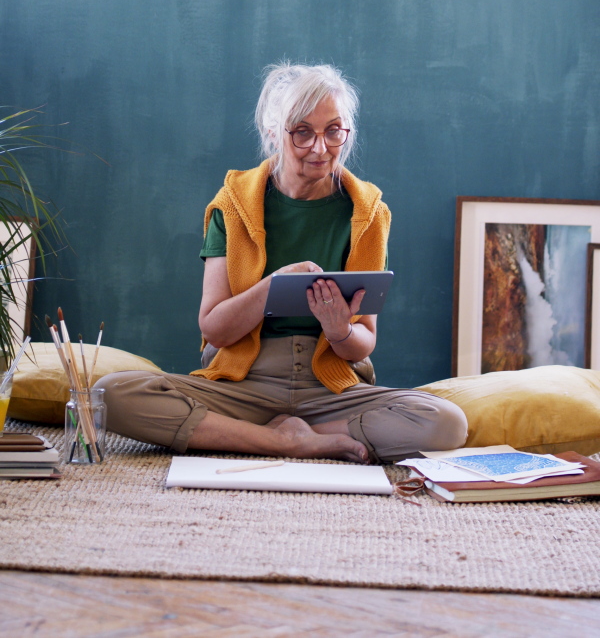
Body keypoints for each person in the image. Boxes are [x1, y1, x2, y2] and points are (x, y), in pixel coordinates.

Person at [98, 62, 467, 463]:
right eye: (302, 132)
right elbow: (215, 330)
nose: (320, 147)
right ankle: (284, 441)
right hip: (242, 384)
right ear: (273, 133)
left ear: (348, 132)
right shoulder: (232, 205)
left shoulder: (368, 213)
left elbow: (365, 342)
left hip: (329, 389)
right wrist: (272, 286)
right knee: (109, 394)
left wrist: (339, 328)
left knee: (445, 422)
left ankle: (277, 435)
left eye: (333, 131)